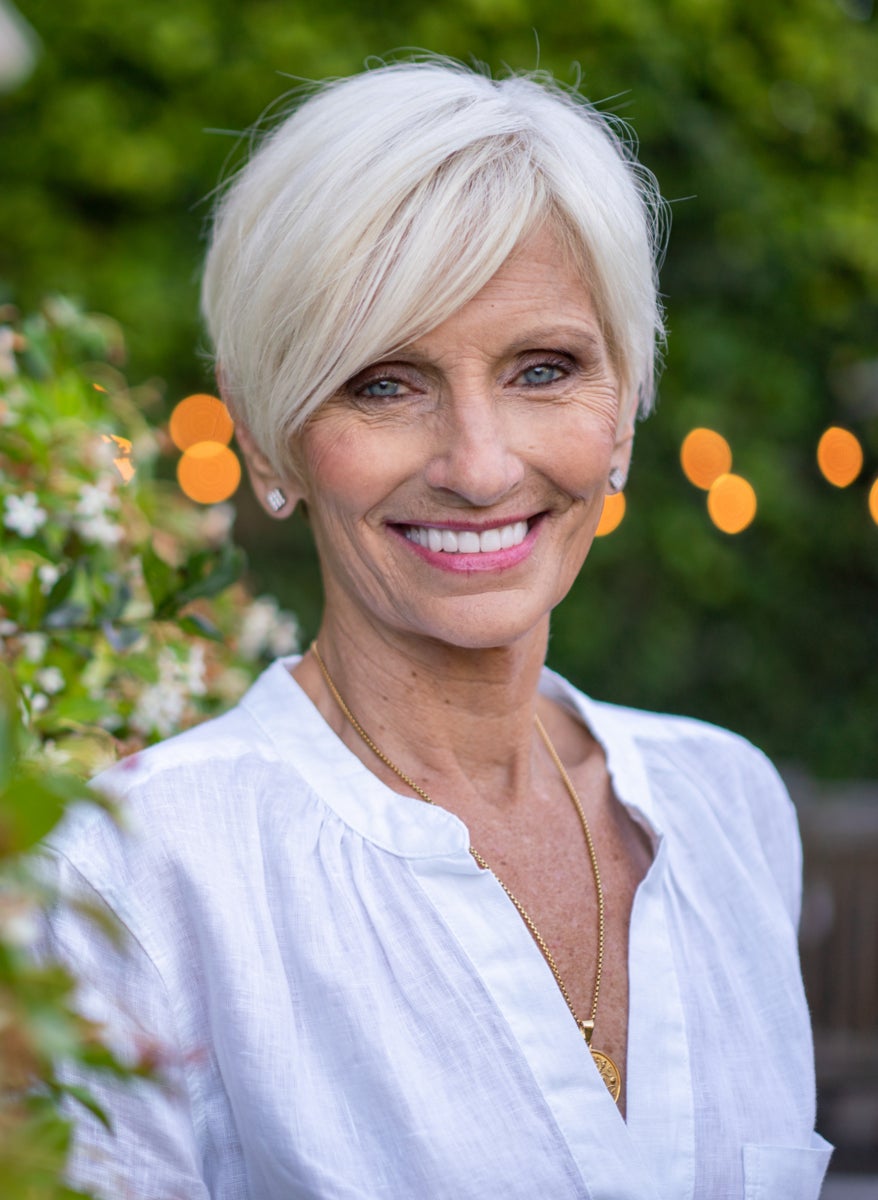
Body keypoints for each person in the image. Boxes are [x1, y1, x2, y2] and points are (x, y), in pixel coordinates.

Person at [39, 58, 831, 1199]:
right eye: (383, 384)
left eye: (542, 369)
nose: (478, 464)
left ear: (621, 411)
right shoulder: (136, 873)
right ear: (264, 436)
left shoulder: (727, 805)